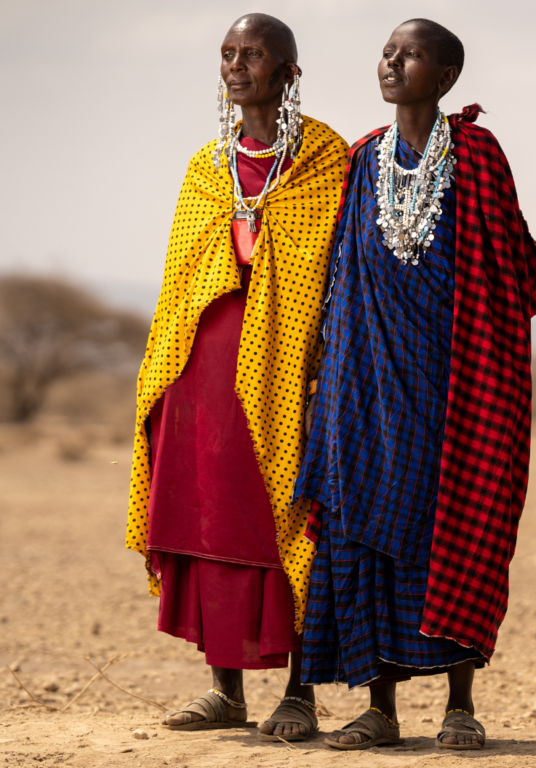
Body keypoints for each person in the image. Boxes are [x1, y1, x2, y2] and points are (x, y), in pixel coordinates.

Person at [294, 18, 536, 751]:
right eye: (387, 51)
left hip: (454, 381)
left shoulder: (477, 155)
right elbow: (341, 273)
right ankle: (378, 708)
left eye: (409, 54)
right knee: (361, 531)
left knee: (451, 525)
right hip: (363, 386)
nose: (391, 62)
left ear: (444, 77)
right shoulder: (361, 159)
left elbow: (504, 261)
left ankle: (460, 703)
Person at [125, 13, 348, 742]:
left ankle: (301, 693)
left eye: (254, 54)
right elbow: (183, 275)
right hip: (202, 368)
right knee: (207, 517)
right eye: (227, 54)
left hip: (289, 366)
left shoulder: (324, 158)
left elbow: (337, 271)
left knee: (286, 517)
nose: (237, 65)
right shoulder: (205, 165)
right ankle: (223, 691)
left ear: (289, 70)